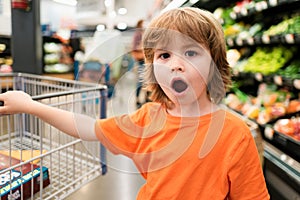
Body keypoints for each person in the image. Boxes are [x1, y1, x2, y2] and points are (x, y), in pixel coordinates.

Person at [0, 7, 269, 200]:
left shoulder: (235, 134)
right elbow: (88, 127)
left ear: (215, 65)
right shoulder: (148, 117)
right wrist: (31, 105)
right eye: (164, 55)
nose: (176, 64)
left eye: (190, 52)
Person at [131, 19, 150, 108]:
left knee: (148, 80)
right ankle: (138, 99)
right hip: (141, 60)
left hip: (147, 59)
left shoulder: (145, 34)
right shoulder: (137, 35)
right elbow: (134, 47)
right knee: (141, 80)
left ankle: (146, 97)